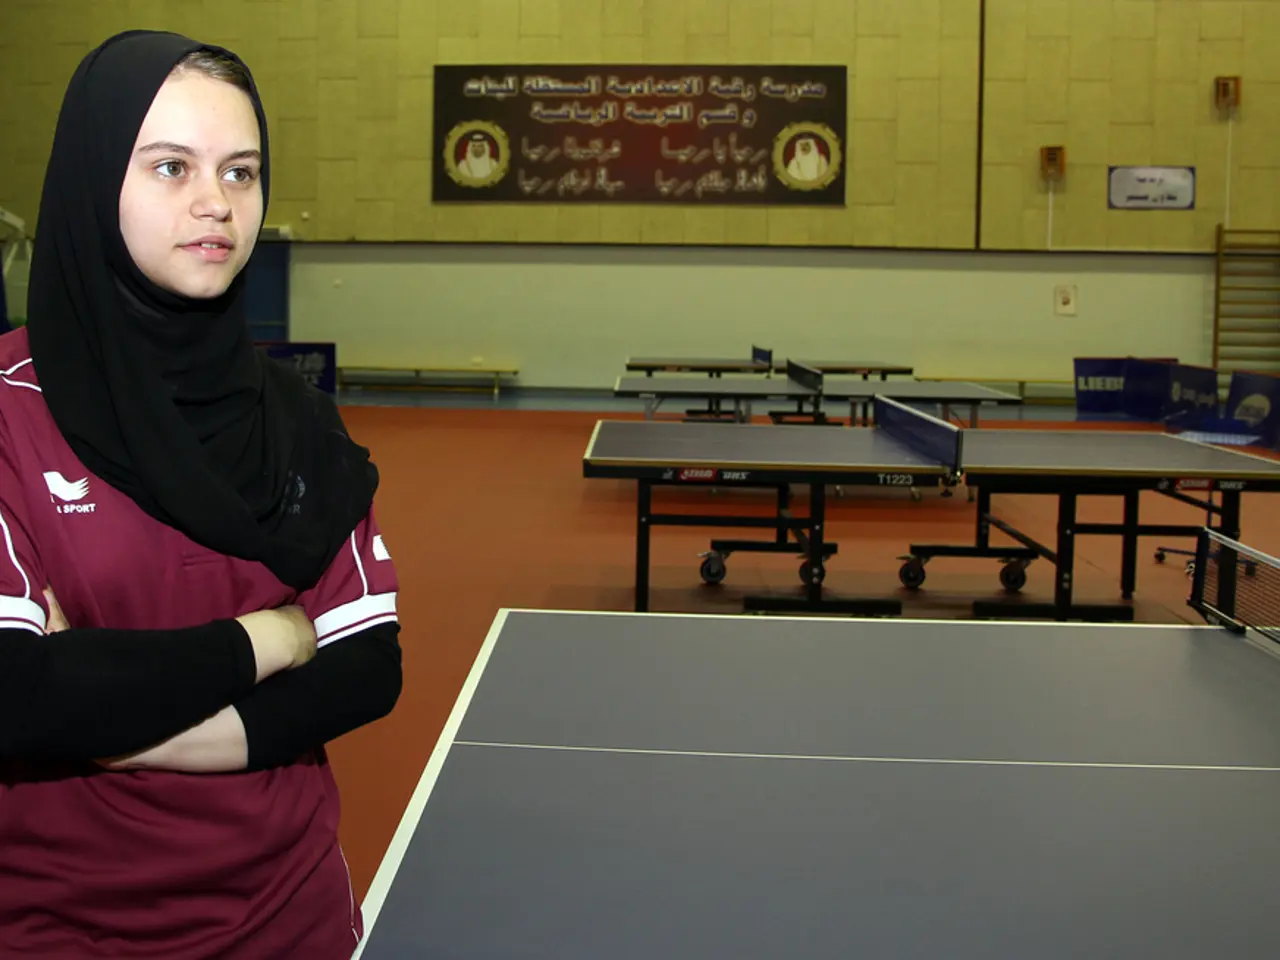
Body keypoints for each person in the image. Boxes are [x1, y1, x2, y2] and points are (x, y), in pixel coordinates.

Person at [0, 30, 403, 959]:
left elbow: (365, 669)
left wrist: (109, 714)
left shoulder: (299, 424)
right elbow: (18, 699)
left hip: (288, 922)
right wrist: (271, 637)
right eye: (171, 167)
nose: (215, 203)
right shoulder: (10, 415)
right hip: (55, 931)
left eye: (241, 171)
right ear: (98, 178)